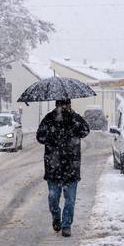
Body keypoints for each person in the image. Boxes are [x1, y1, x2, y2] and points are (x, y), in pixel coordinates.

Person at [36, 99, 90, 237]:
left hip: (71, 166)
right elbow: (40, 137)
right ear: (56, 105)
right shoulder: (49, 119)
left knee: (70, 199)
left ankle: (66, 225)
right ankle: (56, 217)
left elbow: (85, 131)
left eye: (66, 105)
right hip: (53, 167)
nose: (63, 108)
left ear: (70, 105)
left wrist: (74, 118)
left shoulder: (75, 118)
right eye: (61, 105)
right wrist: (52, 136)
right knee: (53, 198)